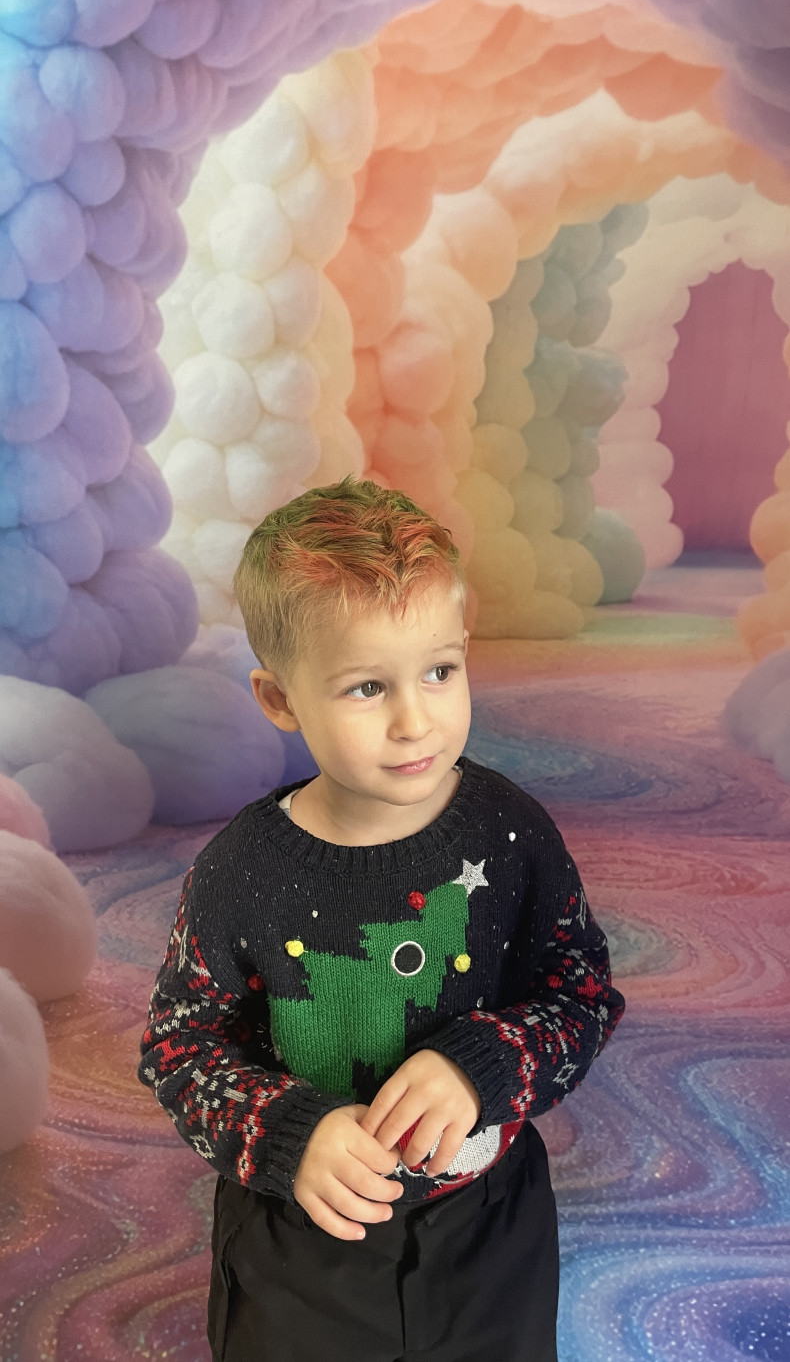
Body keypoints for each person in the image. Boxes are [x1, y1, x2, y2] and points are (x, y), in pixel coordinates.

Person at [138, 475, 625, 1362]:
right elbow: (179, 1047)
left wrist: (487, 1065)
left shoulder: (513, 834)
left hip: (489, 1228)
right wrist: (286, 1131)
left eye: (440, 671)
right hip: (301, 1240)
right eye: (367, 687)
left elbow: (582, 995)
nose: (415, 721)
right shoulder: (240, 869)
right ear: (280, 699)